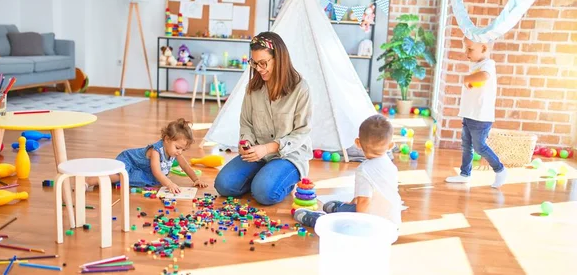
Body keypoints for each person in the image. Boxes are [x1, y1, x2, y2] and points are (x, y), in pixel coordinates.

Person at [214, 31, 312, 205]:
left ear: (279, 59)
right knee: (223, 185)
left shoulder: (300, 88)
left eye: (263, 63)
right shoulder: (253, 88)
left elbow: (302, 132)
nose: (258, 69)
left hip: (289, 156)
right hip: (259, 155)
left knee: (264, 193)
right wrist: (246, 143)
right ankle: (263, 178)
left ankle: (279, 181)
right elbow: (246, 124)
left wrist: (267, 149)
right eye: (254, 63)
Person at [294, 114, 402, 229]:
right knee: (340, 207)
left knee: (337, 224)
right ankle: (342, 209)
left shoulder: (364, 170)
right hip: (392, 224)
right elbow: (372, 194)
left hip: (371, 225)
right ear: (390, 146)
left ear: (358, 143)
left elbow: (364, 201)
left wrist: (359, 225)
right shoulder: (391, 167)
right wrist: (351, 204)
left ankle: (319, 219)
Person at [445, 37, 507, 188]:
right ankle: (465, 174)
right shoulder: (475, 65)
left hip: (481, 116)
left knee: (480, 147)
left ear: (484, 49)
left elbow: (485, 76)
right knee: (467, 145)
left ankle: (500, 170)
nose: (466, 52)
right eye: (466, 48)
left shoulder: (488, 64)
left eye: (470, 49)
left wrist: (467, 79)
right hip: (469, 114)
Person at [85, 119, 208, 193]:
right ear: (166, 139)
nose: (180, 152)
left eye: (183, 149)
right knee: (118, 176)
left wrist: (195, 179)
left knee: (124, 180)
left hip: (142, 171)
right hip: (130, 161)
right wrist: (169, 184)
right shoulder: (156, 151)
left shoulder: (176, 152)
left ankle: (103, 180)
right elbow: (157, 172)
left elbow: (185, 166)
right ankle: (89, 181)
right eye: (178, 148)